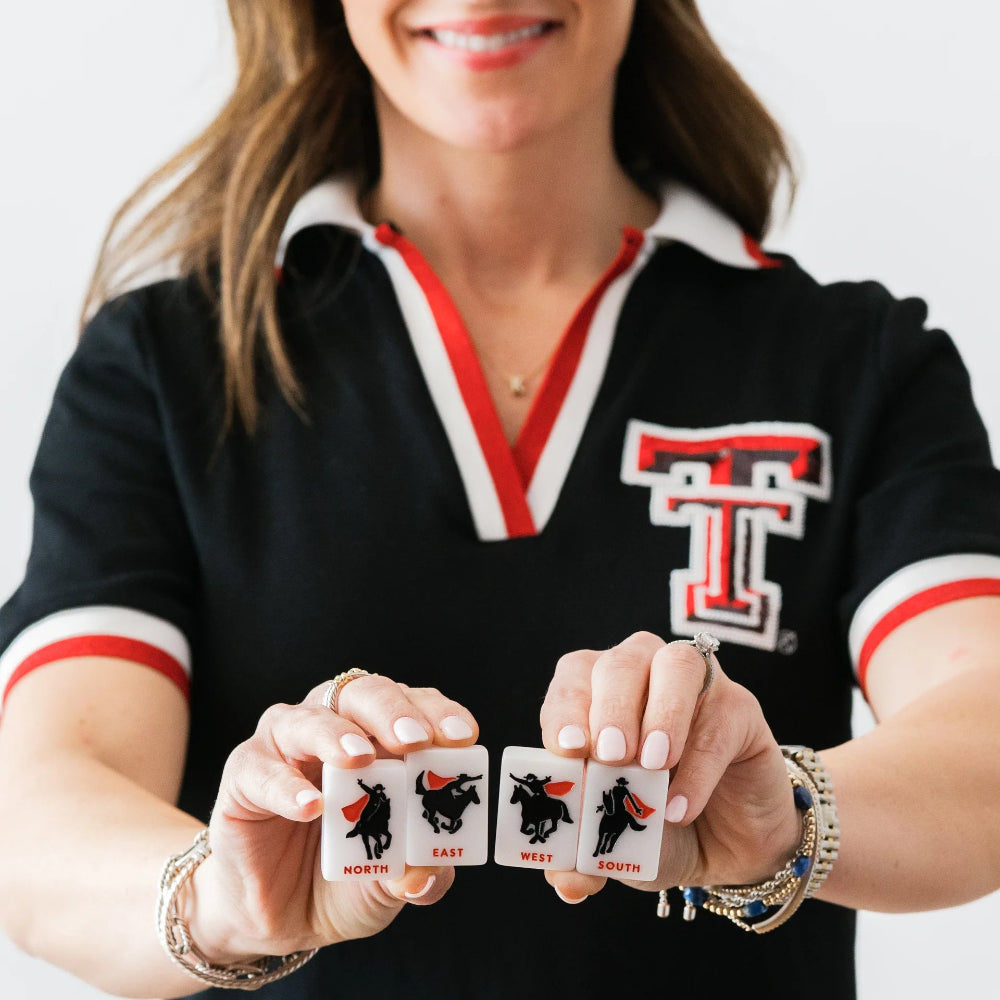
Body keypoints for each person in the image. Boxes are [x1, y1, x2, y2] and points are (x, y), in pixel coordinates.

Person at [1, 2, 999, 998]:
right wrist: (219, 898)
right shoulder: (164, 368)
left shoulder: (857, 363)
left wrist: (784, 812)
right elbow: (38, 810)